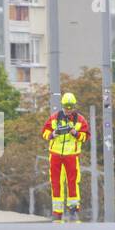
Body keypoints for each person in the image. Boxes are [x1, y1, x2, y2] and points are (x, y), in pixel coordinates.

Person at [41, 93, 90, 222]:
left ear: (74, 106)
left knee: (73, 182)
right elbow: (44, 133)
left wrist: (76, 134)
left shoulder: (80, 120)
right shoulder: (54, 118)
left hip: (72, 156)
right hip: (55, 155)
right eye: (66, 107)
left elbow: (86, 136)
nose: (68, 110)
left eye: (71, 107)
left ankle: (73, 210)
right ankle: (57, 212)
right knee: (56, 183)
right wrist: (52, 134)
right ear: (62, 106)